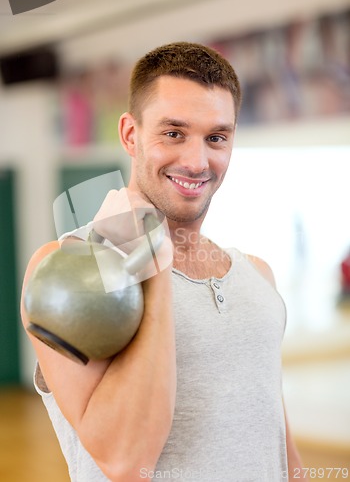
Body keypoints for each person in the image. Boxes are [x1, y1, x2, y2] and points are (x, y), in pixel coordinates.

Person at [21, 42, 305, 481]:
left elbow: (282, 453)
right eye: (173, 133)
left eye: (216, 137)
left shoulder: (257, 277)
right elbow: (124, 461)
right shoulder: (69, 269)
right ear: (130, 135)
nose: (196, 161)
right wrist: (152, 266)